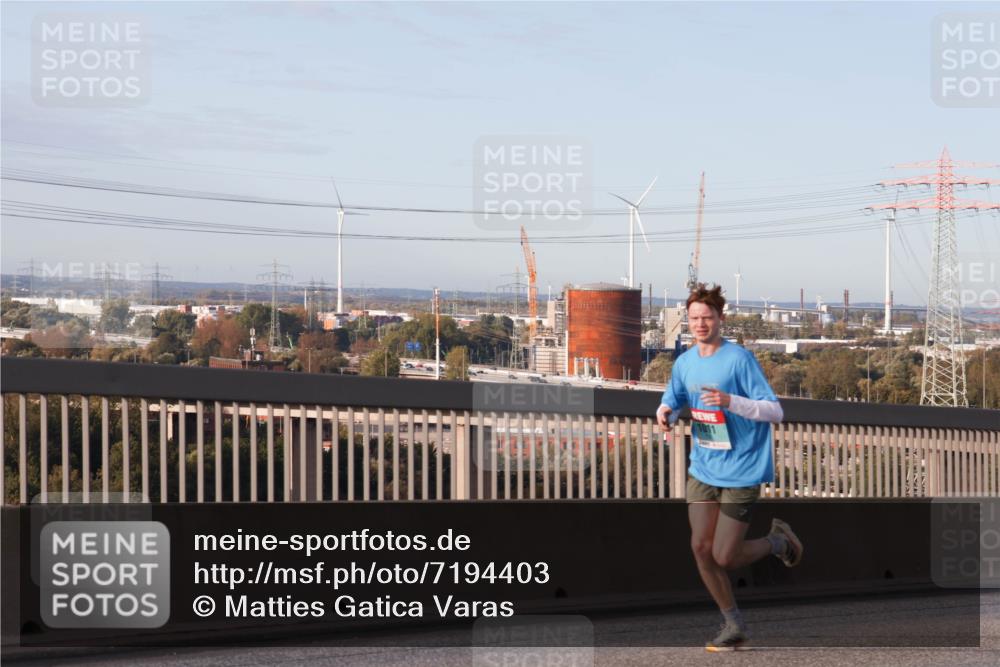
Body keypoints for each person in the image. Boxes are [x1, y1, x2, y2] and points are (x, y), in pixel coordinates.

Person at [656, 283, 803, 652]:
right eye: (694, 318)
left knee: (725, 555)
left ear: (720, 318)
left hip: (742, 469)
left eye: (707, 317)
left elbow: (774, 411)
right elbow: (674, 399)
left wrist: (730, 401)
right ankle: (733, 624)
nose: (700, 324)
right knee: (701, 549)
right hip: (704, 467)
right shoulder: (685, 362)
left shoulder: (739, 360)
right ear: (686, 321)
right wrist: (665, 413)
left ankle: (777, 542)